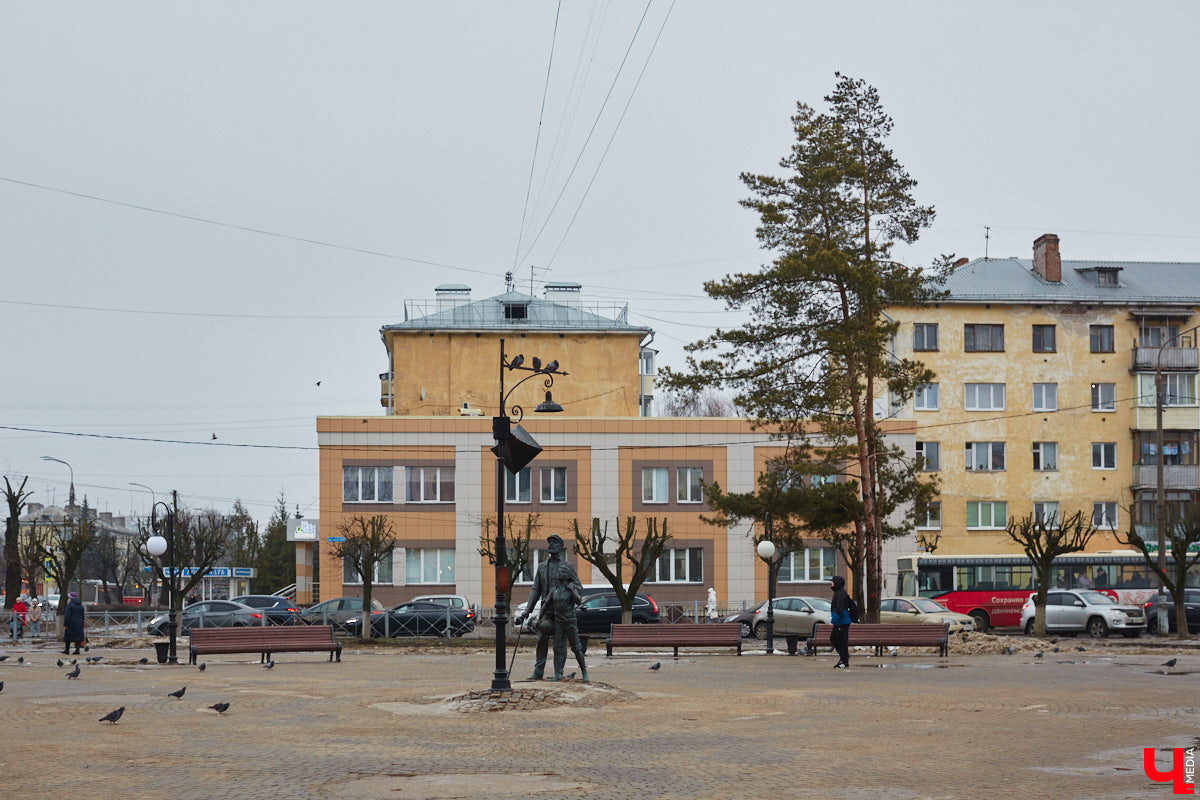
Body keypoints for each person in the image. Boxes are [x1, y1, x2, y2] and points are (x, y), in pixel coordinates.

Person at [515, 534, 588, 682]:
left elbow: (579, 588)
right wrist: (528, 610)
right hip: (547, 608)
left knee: (560, 643)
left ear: (560, 546)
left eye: (554, 543)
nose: (551, 545)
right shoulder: (542, 567)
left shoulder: (567, 566)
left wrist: (570, 588)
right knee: (542, 637)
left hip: (562, 610)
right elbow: (536, 589)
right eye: (549, 543)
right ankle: (538, 670)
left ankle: (558, 672)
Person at [829, 575, 853, 669]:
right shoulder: (838, 592)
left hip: (842, 621)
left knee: (840, 641)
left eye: (833, 582)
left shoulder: (841, 594)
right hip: (841, 621)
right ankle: (844, 657)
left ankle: (844, 659)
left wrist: (833, 621)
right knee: (834, 639)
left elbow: (838, 609)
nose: (831, 583)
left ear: (837, 583)